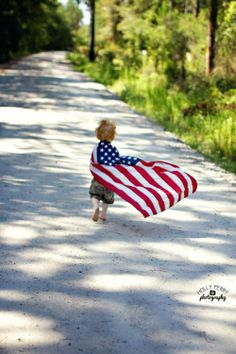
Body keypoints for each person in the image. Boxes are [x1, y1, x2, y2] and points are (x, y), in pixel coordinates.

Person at [89, 119, 139, 222]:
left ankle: (95, 207)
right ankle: (103, 214)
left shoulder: (97, 148)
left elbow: (93, 161)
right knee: (107, 199)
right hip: (109, 180)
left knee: (95, 195)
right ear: (113, 136)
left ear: (98, 134)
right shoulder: (113, 149)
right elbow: (116, 162)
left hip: (98, 178)